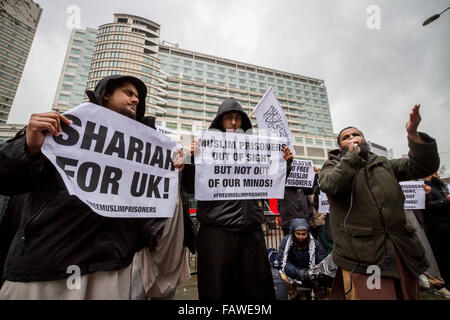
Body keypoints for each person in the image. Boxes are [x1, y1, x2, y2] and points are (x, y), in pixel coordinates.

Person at [0, 75, 184, 299]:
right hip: (46, 265)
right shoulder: (62, 126)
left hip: (110, 266)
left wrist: (170, 168)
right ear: (105, 93)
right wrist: (28, 147)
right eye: (128, 93)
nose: (135, 99)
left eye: (138, 96)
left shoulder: (145, 148)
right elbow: (6, 179)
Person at [319, 104, 440, 300]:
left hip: (400, 250)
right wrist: (352, 157)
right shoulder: (332, 165)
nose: (352, 138)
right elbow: (332, 184)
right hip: (365, 257)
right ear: (340, 146)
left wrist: (413, 134)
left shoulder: (383, 163)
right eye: (346, 137)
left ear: (364, 140)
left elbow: (423, 165)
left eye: (356, 135)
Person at [183, 97, 293, 300]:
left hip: (251, 232)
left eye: (237, 118)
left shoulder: (257, 149)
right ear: (219, 121)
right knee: (219, 292)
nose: (234, 123)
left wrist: (285, 163)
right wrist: (191, 160)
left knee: (255, 292)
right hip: (217, 233)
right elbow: (190, 186)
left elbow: (271, 183)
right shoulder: (203, 148)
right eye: (228, 118)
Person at [275, 218, 327, 299]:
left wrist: (311, 274)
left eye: (304, 234)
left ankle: (315, 294)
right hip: (293, 275)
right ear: (293, 233)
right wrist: (299, 273)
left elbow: (322, 261)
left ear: (308, 234)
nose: (301, 237)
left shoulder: (315, 244)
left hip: (311, 276)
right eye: (298, 234)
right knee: (282, 277)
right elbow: (283, 262)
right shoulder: (286, 242)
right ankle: (294, 295)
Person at [423, 172, 450, 298]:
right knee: (442, 257)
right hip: (436, 229)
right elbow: (426, 207)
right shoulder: (424, 187)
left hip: (445, 226)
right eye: (435, 172)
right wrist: (445, 201)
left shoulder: (437, 186)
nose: (438, 174)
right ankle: (445, 283)